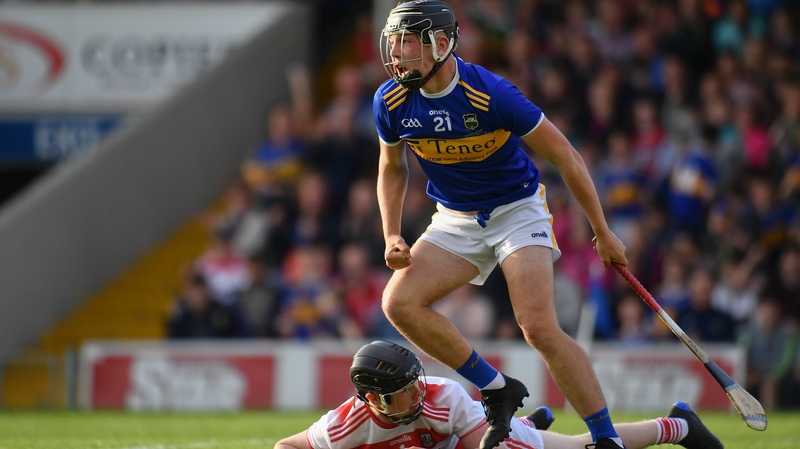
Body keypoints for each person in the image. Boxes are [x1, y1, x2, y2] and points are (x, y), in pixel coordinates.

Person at [372, 2, 628, 448]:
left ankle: (607, 440)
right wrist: (392, 233)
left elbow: (565, 157)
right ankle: (498, 389)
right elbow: (392, 168)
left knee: (538, 327)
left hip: (516, 209)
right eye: (393, 42)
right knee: (399, 302)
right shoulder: (390, 100)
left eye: (407, 42)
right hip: (455, 218)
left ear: (441, 43)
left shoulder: (490, 93)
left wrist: (602, 231)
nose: (397, 53)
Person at [274, 341, 723, 449]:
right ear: (370, 398)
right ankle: (527, 423)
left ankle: (679, 424)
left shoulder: (442, 396)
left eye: (415, 384)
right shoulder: (346, 425)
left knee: (573, 448)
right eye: (400, 394)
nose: (415, 398)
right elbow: (285, 446)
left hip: (471, 437)